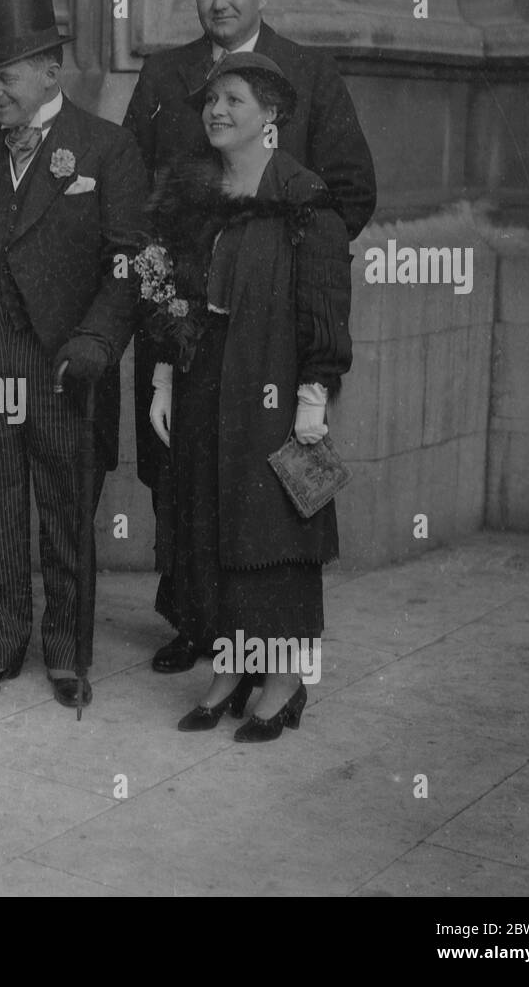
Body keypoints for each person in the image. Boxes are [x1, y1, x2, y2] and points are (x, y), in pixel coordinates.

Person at [123, 0, 376, 675]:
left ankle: (263, 648)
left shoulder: (310, 75)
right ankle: (196, 620)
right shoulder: (166, 75)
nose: (221, 3)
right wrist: (167, 283)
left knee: (262, 485)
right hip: (184, 317)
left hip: (268, 331)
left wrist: (281, 266)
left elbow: (350, 192)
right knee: (183, 474)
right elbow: (137, 193)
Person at [0, 0, 145, 709]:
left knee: (65, 516)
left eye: (8, 75)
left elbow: (128, 259)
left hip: (66, 366)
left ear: (52, 69)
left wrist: (97, 339)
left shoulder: (108, 148)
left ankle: (66, 654)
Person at [139, 51, 351, 742]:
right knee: (210, 520)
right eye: (210, 101)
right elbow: (171, 297)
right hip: (205, 378)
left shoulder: (303, 196)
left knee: (276, 525)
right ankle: (231, 665)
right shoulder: (194, 194)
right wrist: (165, 376)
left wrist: (315, 397)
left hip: (275, 380)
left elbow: (325, 303)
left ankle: (284, 680)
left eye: (233, 99)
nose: (217, 111)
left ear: (272, 113)